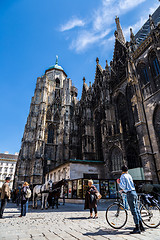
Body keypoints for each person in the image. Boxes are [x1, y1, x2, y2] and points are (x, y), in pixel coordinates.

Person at [117, 165, 145, 234]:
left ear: (122, 170)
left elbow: (123, 185)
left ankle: (137, 228)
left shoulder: (123, 176)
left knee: (134, 211)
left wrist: (119, 183)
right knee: (137, 210)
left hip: (129, 194)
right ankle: (141, 226)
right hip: (134, 192)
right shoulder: (129, 175)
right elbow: (130, 185)